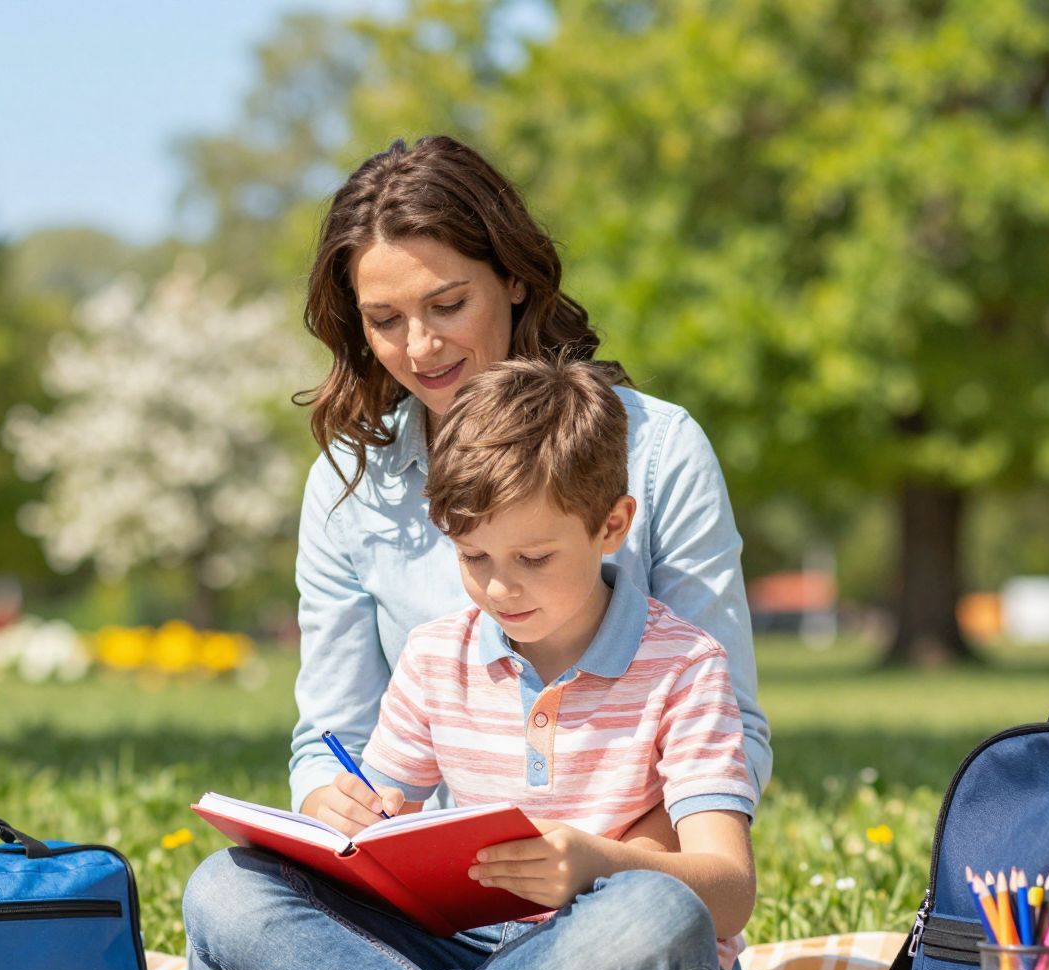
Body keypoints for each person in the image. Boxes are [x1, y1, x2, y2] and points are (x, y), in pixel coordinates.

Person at [173, 357, 756, 970]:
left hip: (608, 956)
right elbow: (381, 830)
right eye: (473, 556)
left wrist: (597, 864)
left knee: (661, 913)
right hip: (462, 947)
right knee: (225, 885)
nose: (501, 587)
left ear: (612, 525)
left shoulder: (684, 665)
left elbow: (729, 890)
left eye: (534, 558)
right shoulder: (435, 655)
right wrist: (350, 820)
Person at [280, 135, 769, 838]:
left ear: (513, 278)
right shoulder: (347, 484)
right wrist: (331, 804)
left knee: (645, 904)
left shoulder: (658, 449)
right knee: (227, 885)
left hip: (618, 871)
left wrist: (600, 868)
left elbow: (733, 732)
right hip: (430, 878)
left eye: (448, 305)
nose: (419, 348)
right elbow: (331, 740)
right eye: (385, 320)